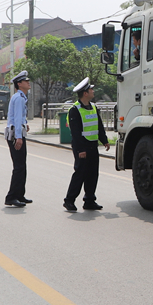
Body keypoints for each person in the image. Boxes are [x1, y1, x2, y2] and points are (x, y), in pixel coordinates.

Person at [63, 78, 110, 212]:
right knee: (80, 174)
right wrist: (81, 150)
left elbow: (99, 125)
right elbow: (76, 132)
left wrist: (104, 140)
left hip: (93, 145)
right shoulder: (74, 110)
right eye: (91, 90)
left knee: (93, 174)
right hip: (82, 146)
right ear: (85, 93)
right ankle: (69, 201)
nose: (93, 91)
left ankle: (89, 200)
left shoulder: (94, 107)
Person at [4, 70, 31, 207]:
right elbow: (16, 118)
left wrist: (24, 125)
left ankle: (20, 194)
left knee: (22, 166)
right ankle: (11, 197)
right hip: (15, 135)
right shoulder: (19, 98)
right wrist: (19, 137)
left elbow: (18, 117)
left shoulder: (20, 96)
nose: (28, 82)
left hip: (17, 133)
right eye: (26, 81)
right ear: (19, 84)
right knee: (19, 167)